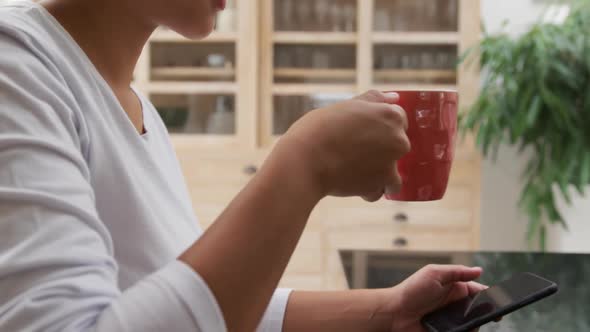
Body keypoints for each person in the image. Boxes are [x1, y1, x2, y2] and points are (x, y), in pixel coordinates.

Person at [0, 0, 487, 331]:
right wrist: (304, 163)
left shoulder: (136, 108)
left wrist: (384, 310)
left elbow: (186, 301)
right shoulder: (13, 62)